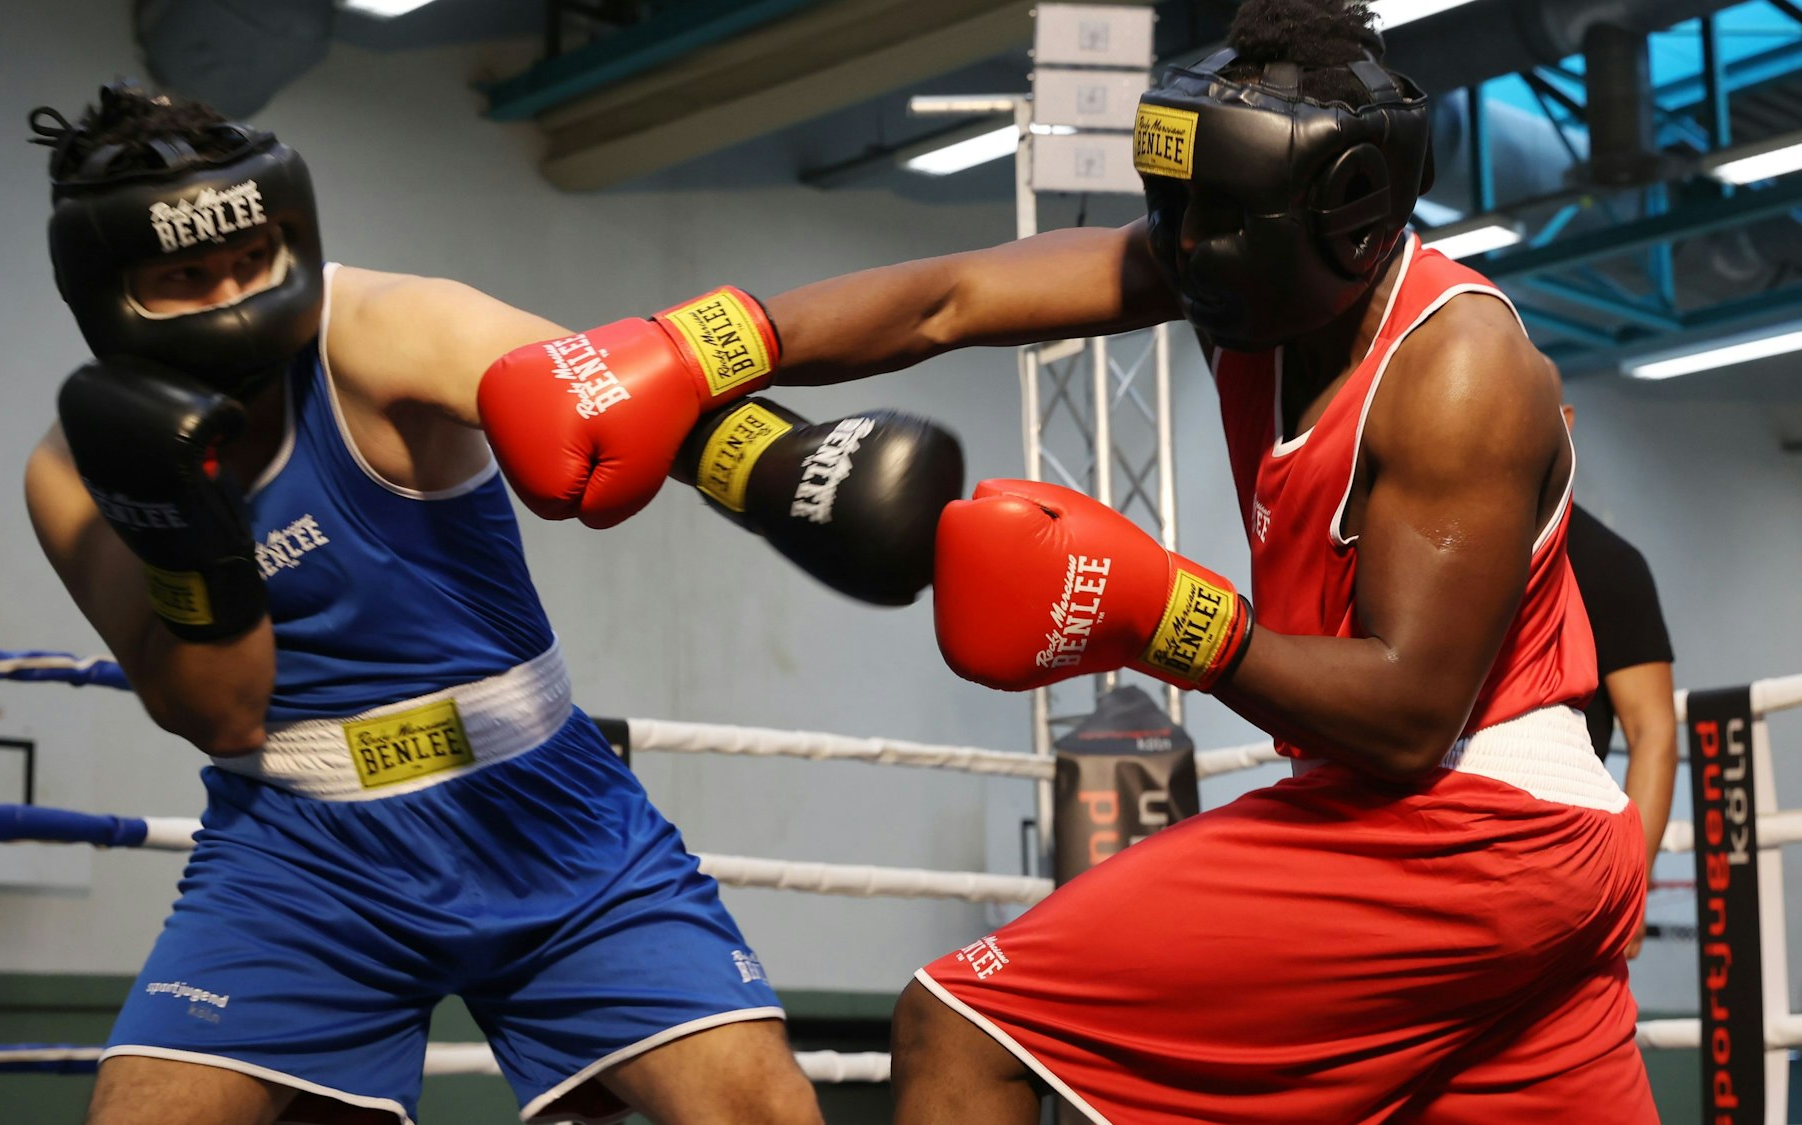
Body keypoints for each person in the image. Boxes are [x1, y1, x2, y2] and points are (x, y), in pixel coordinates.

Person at [481, 0, 1658, 1120]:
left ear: (1344, 211)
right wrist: (711, 347)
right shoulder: (1234, 266)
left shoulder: (1457, 373)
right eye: (1174, 205)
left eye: (1220, 216)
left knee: (961, 1025)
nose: (1186, 242)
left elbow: (1406, 717)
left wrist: (1167, 617)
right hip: (1507, 853)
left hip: (1473, 824)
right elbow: (954, 297)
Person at [22, 82, 952, 1125]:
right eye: (188, 277)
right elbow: (221, 711)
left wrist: (775, 464)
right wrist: (188, 535)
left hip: (547, 810)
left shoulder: (380, 327)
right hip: (299, 852)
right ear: (111, 290)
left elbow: (605, 389)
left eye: (251, 258)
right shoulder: (74, 475)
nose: (235, 293)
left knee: (759, 1111)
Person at [1560, 395, 1679, 959]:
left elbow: (1653, 732)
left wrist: (1633, 883)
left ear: (1564, 421)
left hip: (1566, 859)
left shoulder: (1607, 564)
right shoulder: (1445, 547)